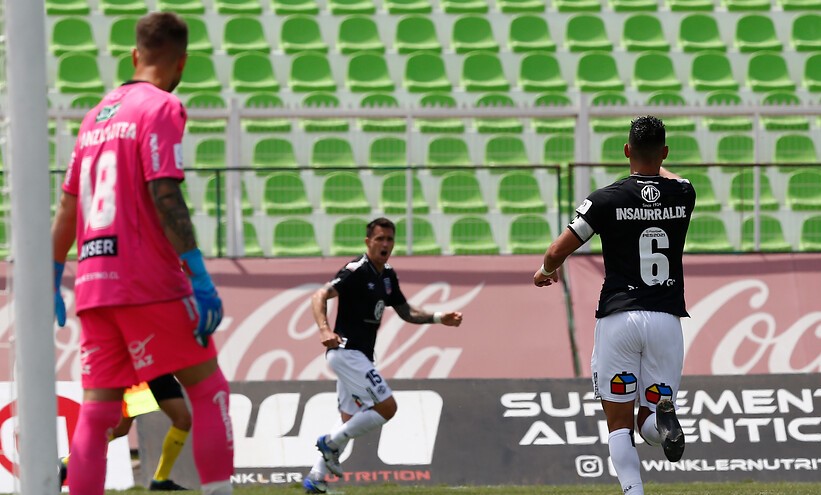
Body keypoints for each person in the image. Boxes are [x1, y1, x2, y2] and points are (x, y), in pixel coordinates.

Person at [51, 12, 233, 495]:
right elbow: (164, 191)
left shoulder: (95, 117)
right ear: (182, 62)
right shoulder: (161, 107)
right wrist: (198, 272)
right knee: (209, 391)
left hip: (93, 284)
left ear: (134, 55)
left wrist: (52, 272)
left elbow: (68, 205)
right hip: (146, 280)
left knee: (98, 415)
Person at [533, 116, 695, 495]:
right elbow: (669, 179)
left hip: (620, 318)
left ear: (626, 151)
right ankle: (665, 423)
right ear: (665, 152)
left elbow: (556, 251)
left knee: (619, 424)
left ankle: (633, 492)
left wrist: (545, 271)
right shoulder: (684, 193)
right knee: (650, 421)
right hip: (666, 320)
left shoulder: (606, 199)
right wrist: (655, 170)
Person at [302, 217, 463, 494]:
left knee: (348, 419)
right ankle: (329, 443)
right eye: (379, 239)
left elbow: (406, 311)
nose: (385, 244)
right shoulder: (356, 270)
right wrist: (324, 329)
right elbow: (319, 296)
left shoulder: (387, 275)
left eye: (389, 239)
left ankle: (316, 479)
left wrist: (438, 317)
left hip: (359, 355)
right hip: (346, 351)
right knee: (387, 408)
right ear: (368, 242)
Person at [60, 374, 192, 491]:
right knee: (182, 420)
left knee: (121, 430)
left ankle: (67, 462)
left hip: (146, 374)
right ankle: (160, 479)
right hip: (143, 374)